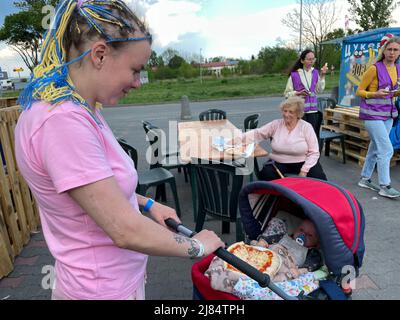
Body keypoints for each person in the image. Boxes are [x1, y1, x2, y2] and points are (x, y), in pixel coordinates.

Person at [14, 0, 224, 300]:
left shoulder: (78, 108)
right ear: (99, 54)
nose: (138, 83)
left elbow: (92, 189)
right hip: (101, 290)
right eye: (135, 70)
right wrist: (198, 245)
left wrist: (149, 205)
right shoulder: (62, 122)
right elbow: (124, 230)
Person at [233, 96, 327, 181]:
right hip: (279, 162)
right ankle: (273, 199)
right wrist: (239, 138)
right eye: (285, 111)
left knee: (320, 179)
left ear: (298, 113)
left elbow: (314, 152)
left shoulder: (306, 127)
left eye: (291, 112)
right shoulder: (276, 124)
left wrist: (304, 170)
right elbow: (258, 133)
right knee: (266, 176)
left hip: (303, 161)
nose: (286, 114)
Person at [356, 34, 400, 198]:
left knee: (375, 148)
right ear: (384, 50)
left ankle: (365, 178)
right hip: (371, 115)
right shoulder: (374, 68)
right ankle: (384, 185)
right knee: (386, 148)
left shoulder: (398, 69)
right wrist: (375, 94)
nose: (392, 53)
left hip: (388, 114)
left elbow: (395, 91)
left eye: (396, 50)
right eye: (389, 49)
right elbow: (359, 91)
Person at [284, 49, 329, 135]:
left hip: (313, 112)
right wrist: (297, 93)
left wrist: (322, 75)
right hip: (299, 112)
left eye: (313, 59)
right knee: (300, 137)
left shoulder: (315, 73)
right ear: (302, 60)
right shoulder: (294, 75)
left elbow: (319, 90)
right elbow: (286, 94)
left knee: (312, 136)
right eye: (309, 59)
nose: (311, 61)